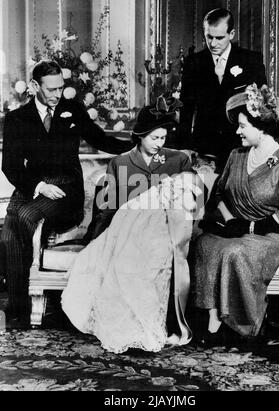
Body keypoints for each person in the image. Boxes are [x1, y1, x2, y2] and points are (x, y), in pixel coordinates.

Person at [61, 101, 205, 353]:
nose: (160, 142)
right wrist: (98, 236)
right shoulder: (121, 163)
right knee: (124, 257)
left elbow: (194, 196)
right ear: (140, 136)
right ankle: (130, 326)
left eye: (163, 136)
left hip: (166, 229)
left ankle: (157, 324)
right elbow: (109, 207)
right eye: (154, 137)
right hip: (127, 227)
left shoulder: (178, 159)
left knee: (156, 253)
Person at [1, 60, 133, 328]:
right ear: (35, 86)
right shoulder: (17, 118)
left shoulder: (72, 109)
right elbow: (10, 166)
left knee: (21, 216)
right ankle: (18, 312)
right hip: (34, 186)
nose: (57, 94)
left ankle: (17, 310)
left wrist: (138, 142)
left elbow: (101, 139)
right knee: (10, 228)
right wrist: (39, 187)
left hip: (66, 187)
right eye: (51, 89)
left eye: (61, 88)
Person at [191, 83, 279, 346]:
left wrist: (262, 224)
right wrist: (229, 220)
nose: (237, 131)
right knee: (205, 244)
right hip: (235, 228)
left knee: (235, 251)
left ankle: (240, 326)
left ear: (260, 127)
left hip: (272, 234)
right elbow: (217, 194)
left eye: (242, 125)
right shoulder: (236, 155)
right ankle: (213, 319)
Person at [179, 8, 267, 169]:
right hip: (204, 148)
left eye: (219, 38)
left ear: (231, 34)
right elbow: (186, 109)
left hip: (240, 146)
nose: (213, 43)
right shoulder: (193, 62)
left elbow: (262, 107)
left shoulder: (251, 60)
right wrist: (185, 148)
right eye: (209, 37)